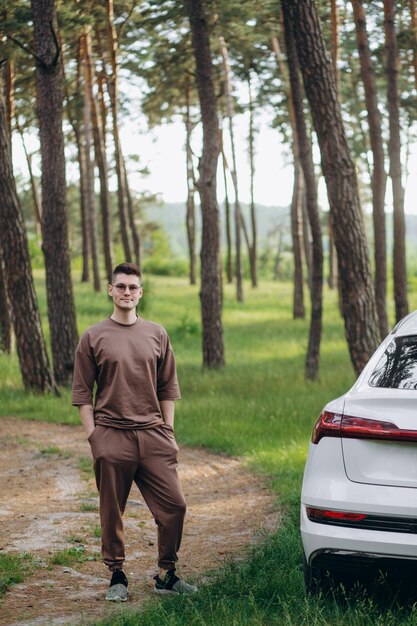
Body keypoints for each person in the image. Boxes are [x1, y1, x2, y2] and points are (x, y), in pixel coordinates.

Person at [72, 262, 197, 601]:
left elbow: (168, 387)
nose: (127, 291)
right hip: (111, 435)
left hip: (154, 435)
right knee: (112, 510)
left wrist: (168, 432)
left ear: (140, 293)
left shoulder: (157, 333)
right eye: (121, 286)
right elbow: (82, 393)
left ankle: (166, 574)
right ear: (110, 291)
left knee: (175, 506)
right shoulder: (93, 336)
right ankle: (117, 575)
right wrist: (94, 438)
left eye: (133, 287)